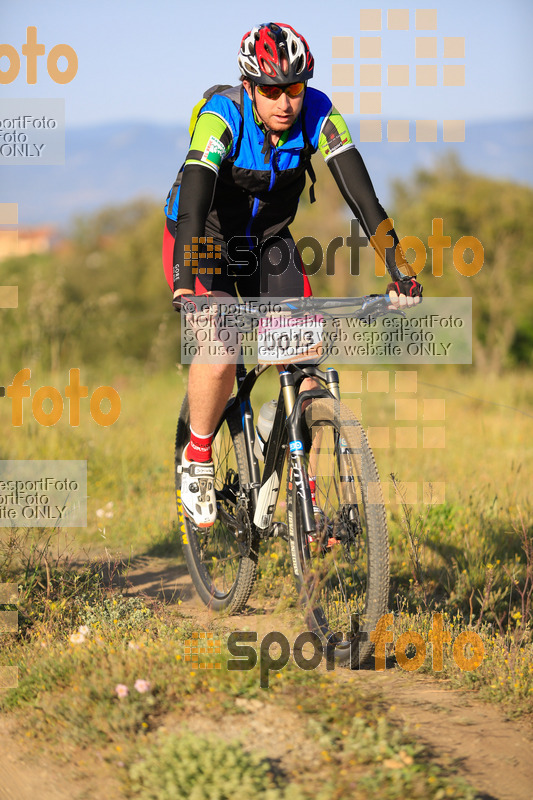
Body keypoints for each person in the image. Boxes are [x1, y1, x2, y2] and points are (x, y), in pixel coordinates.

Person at [163, 22, 422, 528]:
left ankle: (291, 454)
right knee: (219, 347)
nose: (285, 101)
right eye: (271, 90)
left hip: (269, 244)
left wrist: (399, 267)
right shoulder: (221, 119)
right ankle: (196, 458)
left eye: (295, 88)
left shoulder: (321, 113)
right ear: (250, 87)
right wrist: (183, 281)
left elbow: (362, 198)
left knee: (305, 358)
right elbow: (193, 204)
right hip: (203, 241)